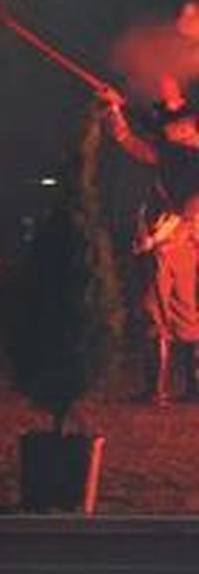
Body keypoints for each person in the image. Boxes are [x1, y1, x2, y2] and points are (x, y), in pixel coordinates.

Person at [102, 80, 199, 404]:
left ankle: (156, 390)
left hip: (168, 242)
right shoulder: (178, 151)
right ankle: (194, 388)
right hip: (186, 243)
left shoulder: (177, 156)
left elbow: (131, 140)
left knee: (155, 312)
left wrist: (117, 111)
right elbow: (133, 137)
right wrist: (117, 108)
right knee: (186, 314)